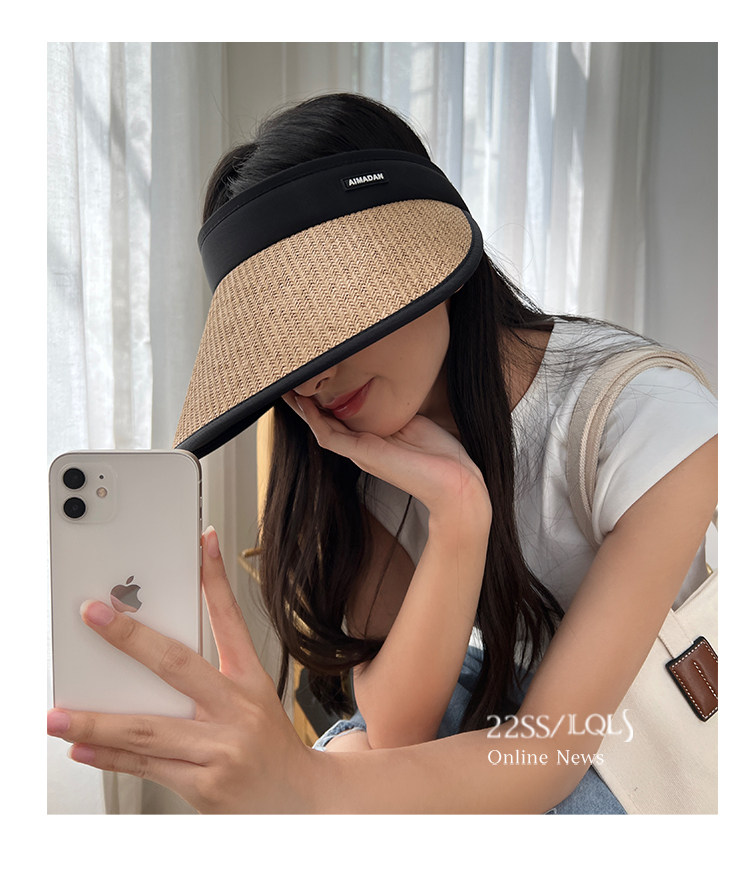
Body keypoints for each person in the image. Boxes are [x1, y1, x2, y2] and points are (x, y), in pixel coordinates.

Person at [46, 93, 718, 814]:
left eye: (333, 318)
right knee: (355, 752)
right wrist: (458, 514)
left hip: (643, 741)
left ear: (426, 266)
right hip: (507, 711)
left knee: (339, 769)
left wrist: (300, 783)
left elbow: (549, 752)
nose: (312, 375)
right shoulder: (358, 445)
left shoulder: (649, 418)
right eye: (283, 348)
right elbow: (399, 730)